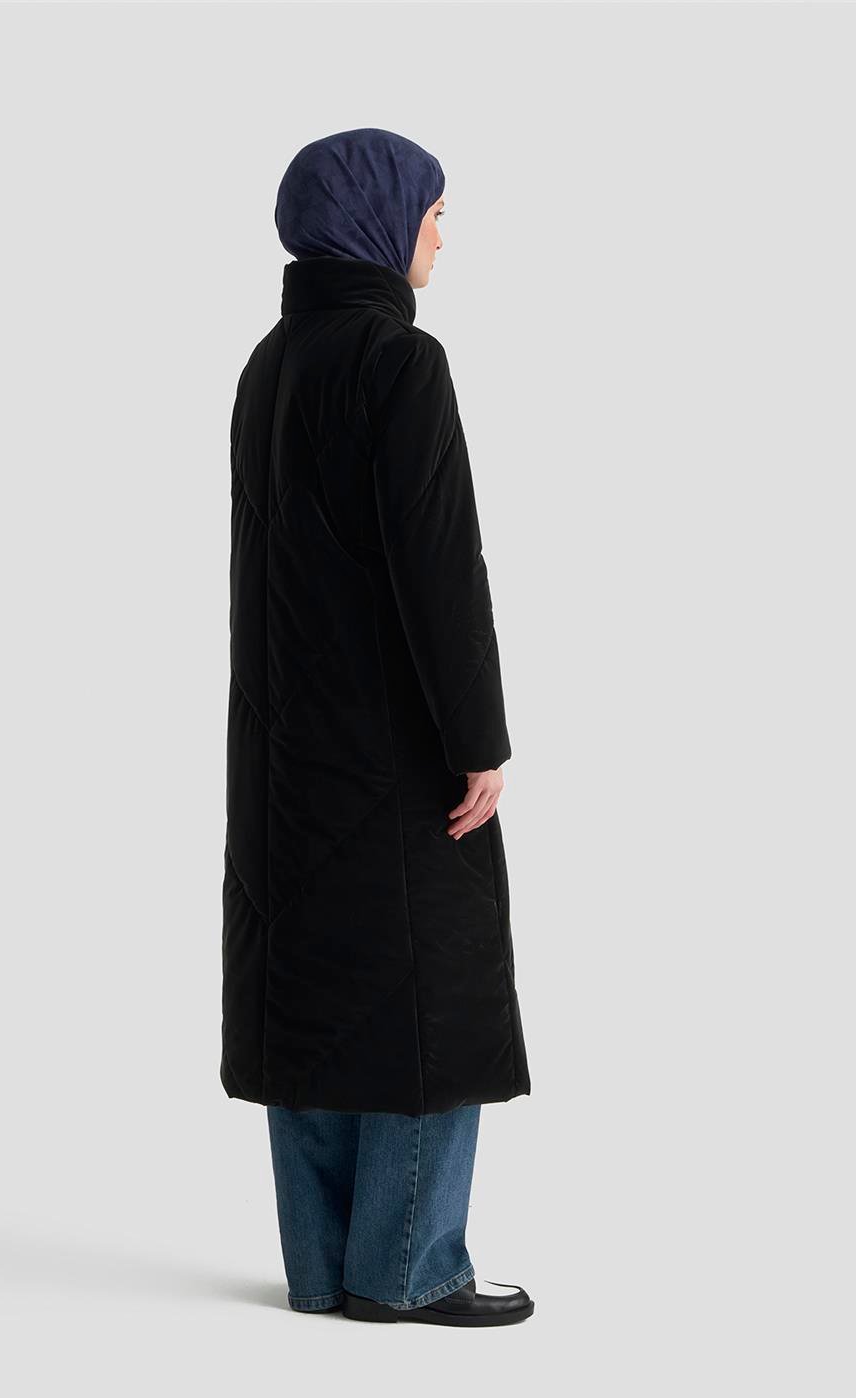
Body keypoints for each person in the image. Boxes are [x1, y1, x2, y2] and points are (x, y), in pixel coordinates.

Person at [221, 127, 532, 1328]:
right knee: (425, 990)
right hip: (395, 741)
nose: (442, 235)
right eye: (433, 211)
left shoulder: (272, 363)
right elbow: (438, 567)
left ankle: (322, 1269)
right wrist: (476, 737)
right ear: (380, 220)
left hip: (286, 751)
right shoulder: (399, 362)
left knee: (312, 985)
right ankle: (407, 1271)